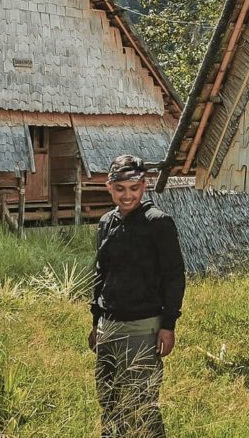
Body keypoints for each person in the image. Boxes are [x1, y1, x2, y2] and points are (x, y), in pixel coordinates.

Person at [89, 154, 186, 438]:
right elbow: (100, 275)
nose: (127, 195)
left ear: (144, 185)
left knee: (141, 404)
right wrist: (96, 322)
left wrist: (168, 325)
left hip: (143, 326)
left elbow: (174, 277)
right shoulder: (107, 222)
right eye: (120, 189)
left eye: (134, 188)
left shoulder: (158, 223)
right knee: (108, 400)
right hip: (109, 326)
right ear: (110, 187)